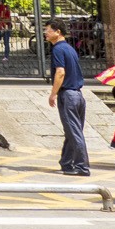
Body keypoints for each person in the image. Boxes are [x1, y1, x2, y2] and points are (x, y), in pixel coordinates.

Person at [46, 22, 90, 176]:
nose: (46, 33)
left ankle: (82, 167)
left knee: (74, 132)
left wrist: (53, 93)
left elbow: (60, 72)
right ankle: (66, 163)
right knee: (72, 131)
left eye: (48, 30)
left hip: (68, 95)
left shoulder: (58, 49)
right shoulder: (70, 48)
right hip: (78, 95)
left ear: (58, 32)